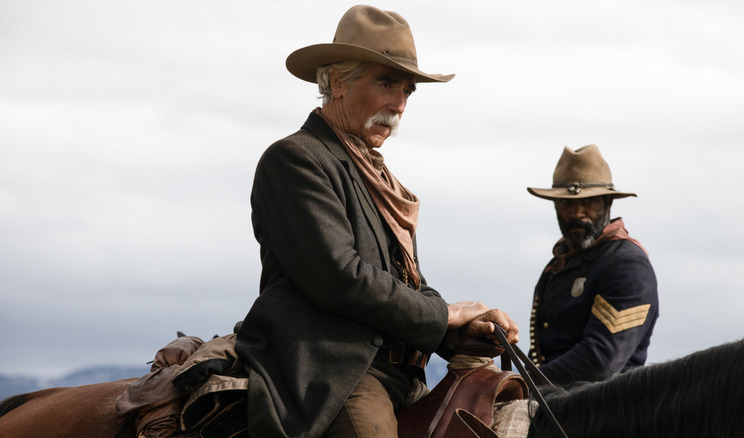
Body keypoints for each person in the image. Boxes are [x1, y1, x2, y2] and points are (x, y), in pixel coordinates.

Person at [234, 5, 519, 438]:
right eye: (387, 83)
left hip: (402, 376)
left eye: (408, 91)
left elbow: (406, 287)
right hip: (335, 375)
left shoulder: (378, 177)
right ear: (335, 83)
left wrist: (462, 329)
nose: (399, 104)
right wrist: (447, 313)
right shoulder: (296, 159)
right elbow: (341, 279)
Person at [526, 144, 659, 386]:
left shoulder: (628, 264)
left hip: (602, 411)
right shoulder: (560, 263)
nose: (577, 213)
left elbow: (600, 361)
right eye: (567, 203)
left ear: (608, 203)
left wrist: (527, 385)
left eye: (589, 202)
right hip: (551, 400)